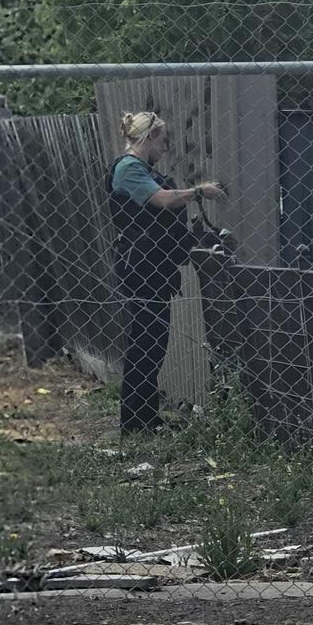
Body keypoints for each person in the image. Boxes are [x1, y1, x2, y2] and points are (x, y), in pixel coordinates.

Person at [106, 111, 226, 434]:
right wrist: (200, 191)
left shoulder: (141, 169)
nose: (167, 147)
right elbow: (161, 200)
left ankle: (146, 417)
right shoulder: (128, 168)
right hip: (140, 268)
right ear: (148, 139)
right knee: (144, 345)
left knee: (153, 345)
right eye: (163, 140)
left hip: (153, 267)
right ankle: (133, 422)